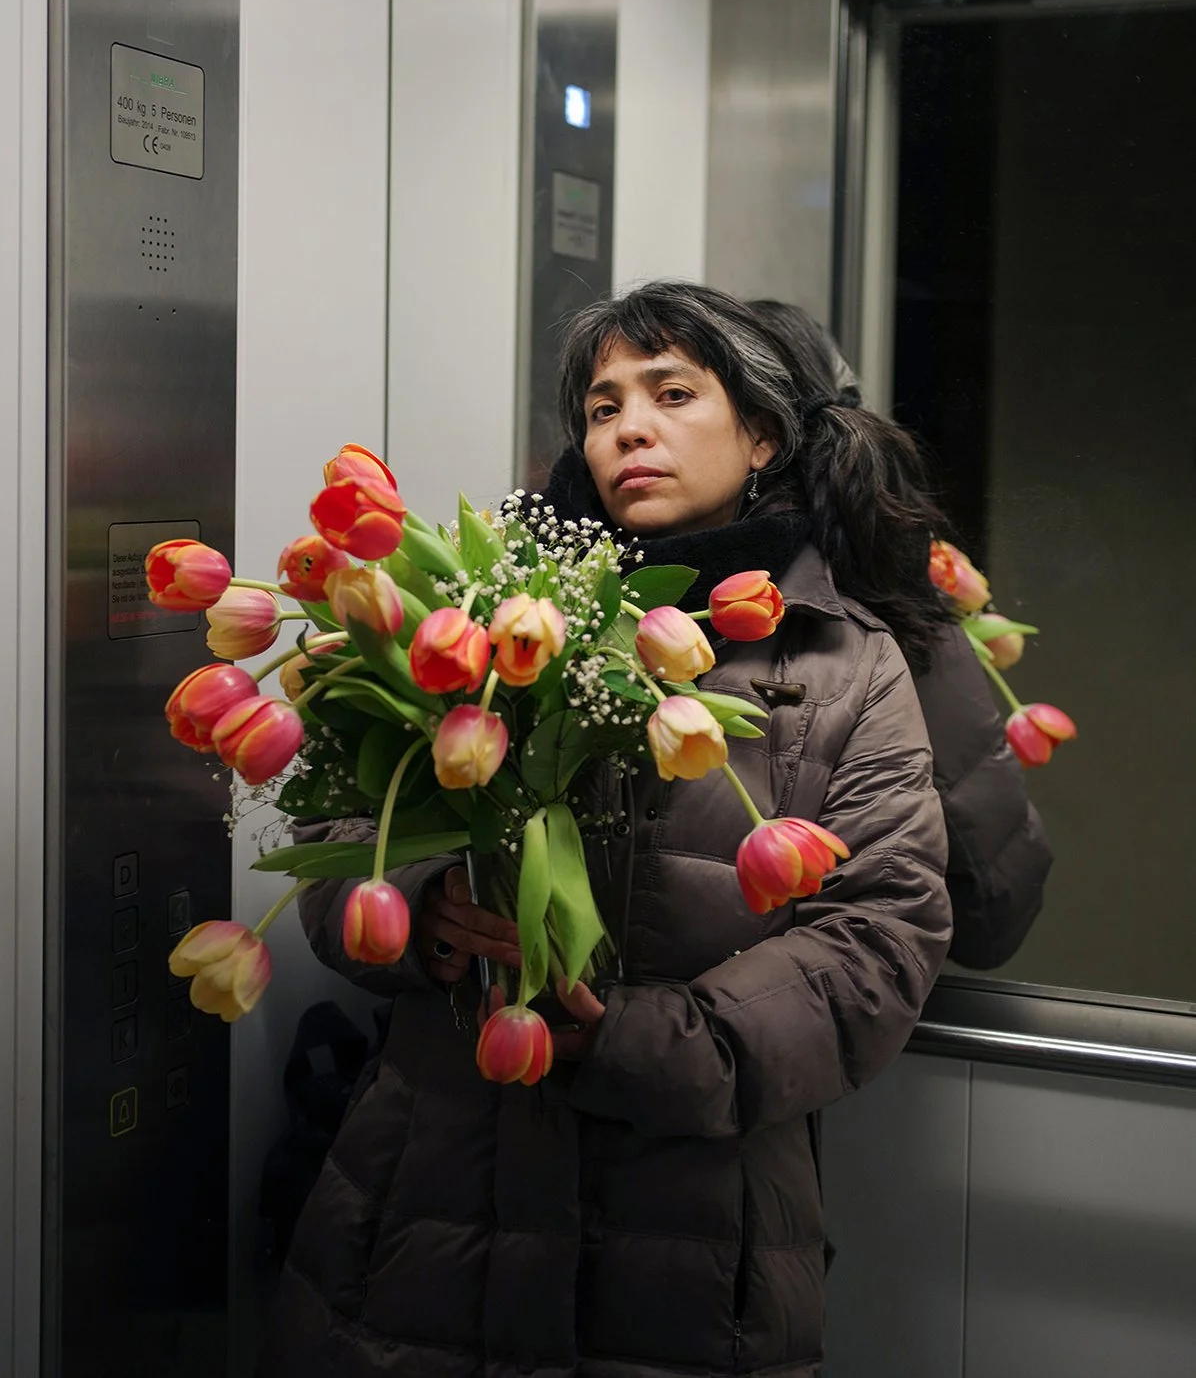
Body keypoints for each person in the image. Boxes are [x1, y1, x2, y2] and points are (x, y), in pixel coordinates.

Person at [260, 281, 952, 1378]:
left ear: (762, 434)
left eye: (672, 394)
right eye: (601, 406)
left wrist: (633, 1039)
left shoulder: (843, 660)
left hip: (691, 1233)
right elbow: (343, 837)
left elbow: (881, 938)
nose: (628, 426)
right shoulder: (486, 613)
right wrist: (427, 914)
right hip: (424, 1205)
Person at [748, 298, 1053, 969]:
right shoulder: (876, 568)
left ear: (761, 434)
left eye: (678, 397)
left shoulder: (855, 585)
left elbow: (993, 900)